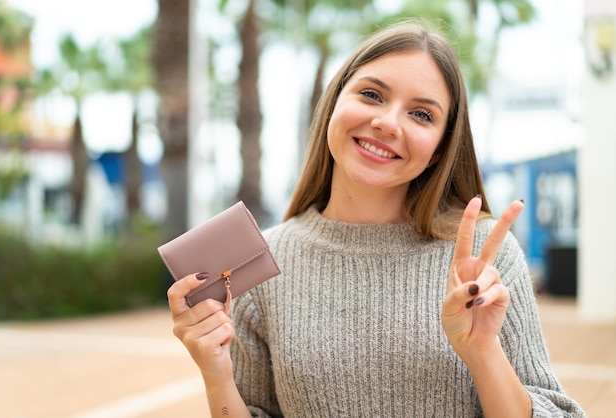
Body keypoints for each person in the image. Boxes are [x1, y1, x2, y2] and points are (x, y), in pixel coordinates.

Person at [167, 20, 586, 417]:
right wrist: (217, 375)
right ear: (334, 103)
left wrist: (483, 351)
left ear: (439, 149)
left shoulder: (483, 256)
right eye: (371, 94)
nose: (386, 123)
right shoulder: (261, 263)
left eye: (422, 114)